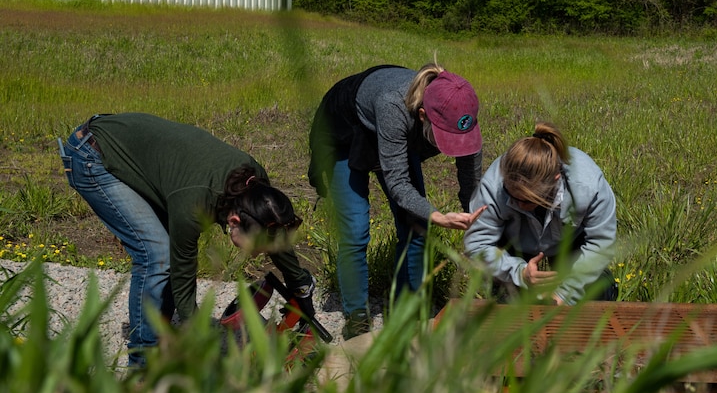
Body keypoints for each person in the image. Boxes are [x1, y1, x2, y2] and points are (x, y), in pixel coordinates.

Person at [58, 113, 317, 368]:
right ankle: (143, 365)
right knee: (157, 255)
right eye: (253, 249)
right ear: (234, 222)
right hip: (92, 153)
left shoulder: (256, 185)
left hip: (136, 148)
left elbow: (274, 228)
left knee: (164, 252)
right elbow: (183, 278)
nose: (255, 256)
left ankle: (162, 339)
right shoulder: (193, 204)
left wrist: (300, 285)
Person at [308, 63, 486, 339]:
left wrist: (473, 214)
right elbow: (399, 184)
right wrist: (437, 215)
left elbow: (470, 175)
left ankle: (403, 308)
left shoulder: (460, 110)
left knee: (416, 228)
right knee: (356, 231)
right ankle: (357, 315)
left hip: (392, 132)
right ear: (424, 116)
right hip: (345, 133)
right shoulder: (394, 105)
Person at [464, 121, 618, 305]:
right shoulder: (493, 186)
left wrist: (565, 294)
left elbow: (601, 244)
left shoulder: (588, 185)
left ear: (555, 181)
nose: (517, 204)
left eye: (527, 201)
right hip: (514, 244)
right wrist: (519, 273)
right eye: (511, 197)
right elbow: (477, 245)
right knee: (511, 303)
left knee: (598, 290)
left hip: (570, 241)